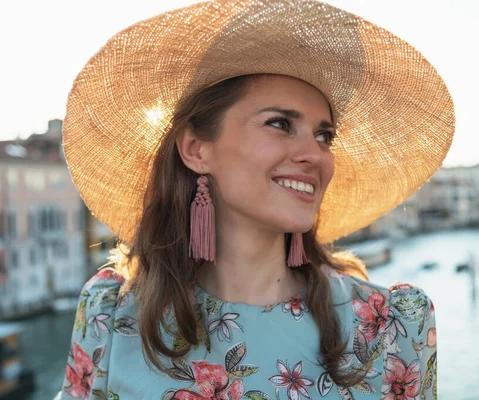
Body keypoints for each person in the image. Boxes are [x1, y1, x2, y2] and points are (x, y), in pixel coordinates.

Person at [57, 0, 453, 399]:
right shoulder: (109, 320)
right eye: (280, 124)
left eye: (324, 136)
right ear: (196, 149)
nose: (315, 155)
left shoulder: (391, 328)